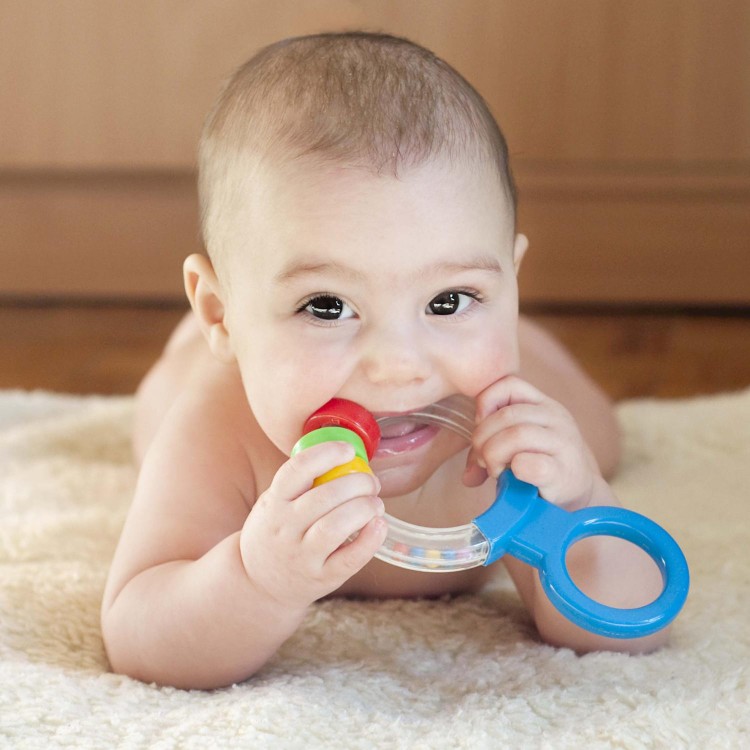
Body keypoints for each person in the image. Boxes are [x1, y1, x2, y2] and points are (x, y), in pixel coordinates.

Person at [101, 31, 665, 690]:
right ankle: (205, 336)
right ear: (222, 315)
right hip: (209, 376)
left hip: (495, 374)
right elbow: (141, 638)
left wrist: (583, 501)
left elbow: (626, 626)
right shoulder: (220, 436)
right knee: (163, 400)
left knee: (595, 433)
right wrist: (256, 580)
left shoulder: (501, 442)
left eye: (451, 298)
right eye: (327, 306)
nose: (398, 366)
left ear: (509, 283)